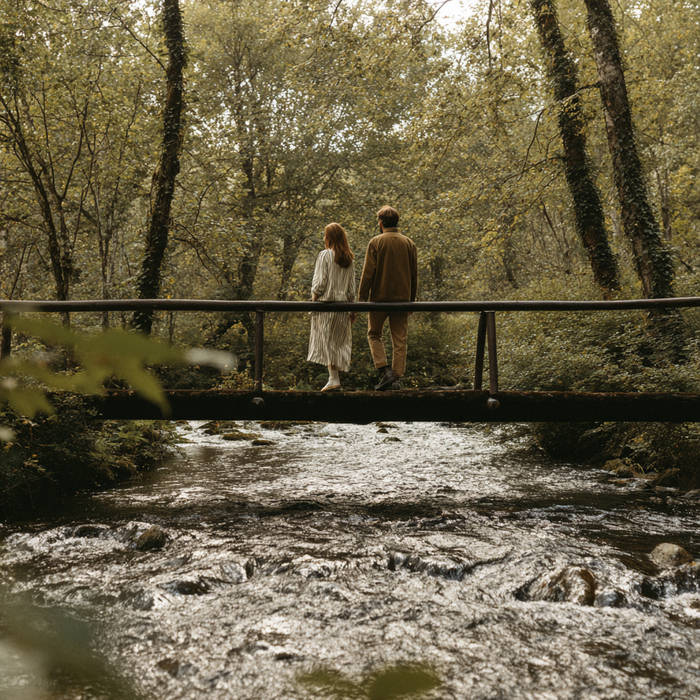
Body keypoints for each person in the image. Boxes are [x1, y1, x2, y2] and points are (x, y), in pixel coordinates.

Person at [358, 205, 417, 390]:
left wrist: (361, 298)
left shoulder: (376, 242)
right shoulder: (408, 243)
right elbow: (414, 274)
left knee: (374, 334)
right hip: (402, 299)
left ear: (381, 222)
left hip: (379, 299)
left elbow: (368, 273)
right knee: (400, 339)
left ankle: (384, 371)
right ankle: (396, 378)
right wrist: (412, 300)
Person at [307, 222, 356, 391]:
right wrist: (352, 308)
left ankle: (333, 378)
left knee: (327, 342)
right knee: (337, 342)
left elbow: (320, 282)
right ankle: (334, 377)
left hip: (326, 305)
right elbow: (351, 289)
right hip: (343, 306)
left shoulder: (325, 255)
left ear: (329, 237)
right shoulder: (348, 259)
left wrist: (314, 298)